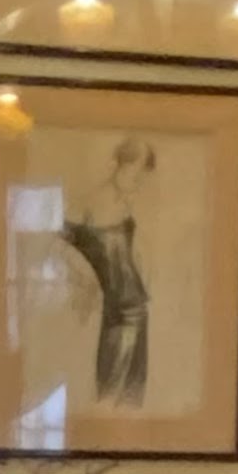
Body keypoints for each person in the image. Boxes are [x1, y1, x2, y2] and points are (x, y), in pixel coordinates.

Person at [63, 137, 157, 404]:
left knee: (132, 394)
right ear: (118, 164)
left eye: (141, 177)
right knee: (109, 392)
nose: (138, 182)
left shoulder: (127, 205)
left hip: (136, 307)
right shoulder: (89, 203)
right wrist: (85, 277)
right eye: (134, 174)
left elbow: (130, 255)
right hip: (115, 310)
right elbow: (58, 245)